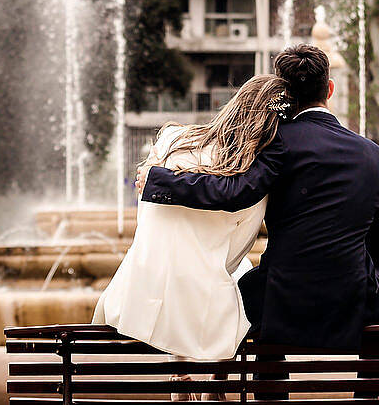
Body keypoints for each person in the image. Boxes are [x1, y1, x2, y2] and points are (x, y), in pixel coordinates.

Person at [136, 44, 379, 352]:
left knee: (246, 289)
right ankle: (366, 396)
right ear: (329, 88)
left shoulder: (276, 142)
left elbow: (234, 193)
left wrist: (160, 179)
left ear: (284, 93)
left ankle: (268, 395)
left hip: (281, 300)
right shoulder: (373, 155)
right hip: (353, 300)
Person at [92, 74, 289, 361]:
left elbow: (148, 228)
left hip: (133, 301)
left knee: (184, 262)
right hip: (205, 323)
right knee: (235, 272)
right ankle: (213, 392)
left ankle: (180, 376)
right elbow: (235, 252)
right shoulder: (253, 183)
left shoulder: (172, 140)